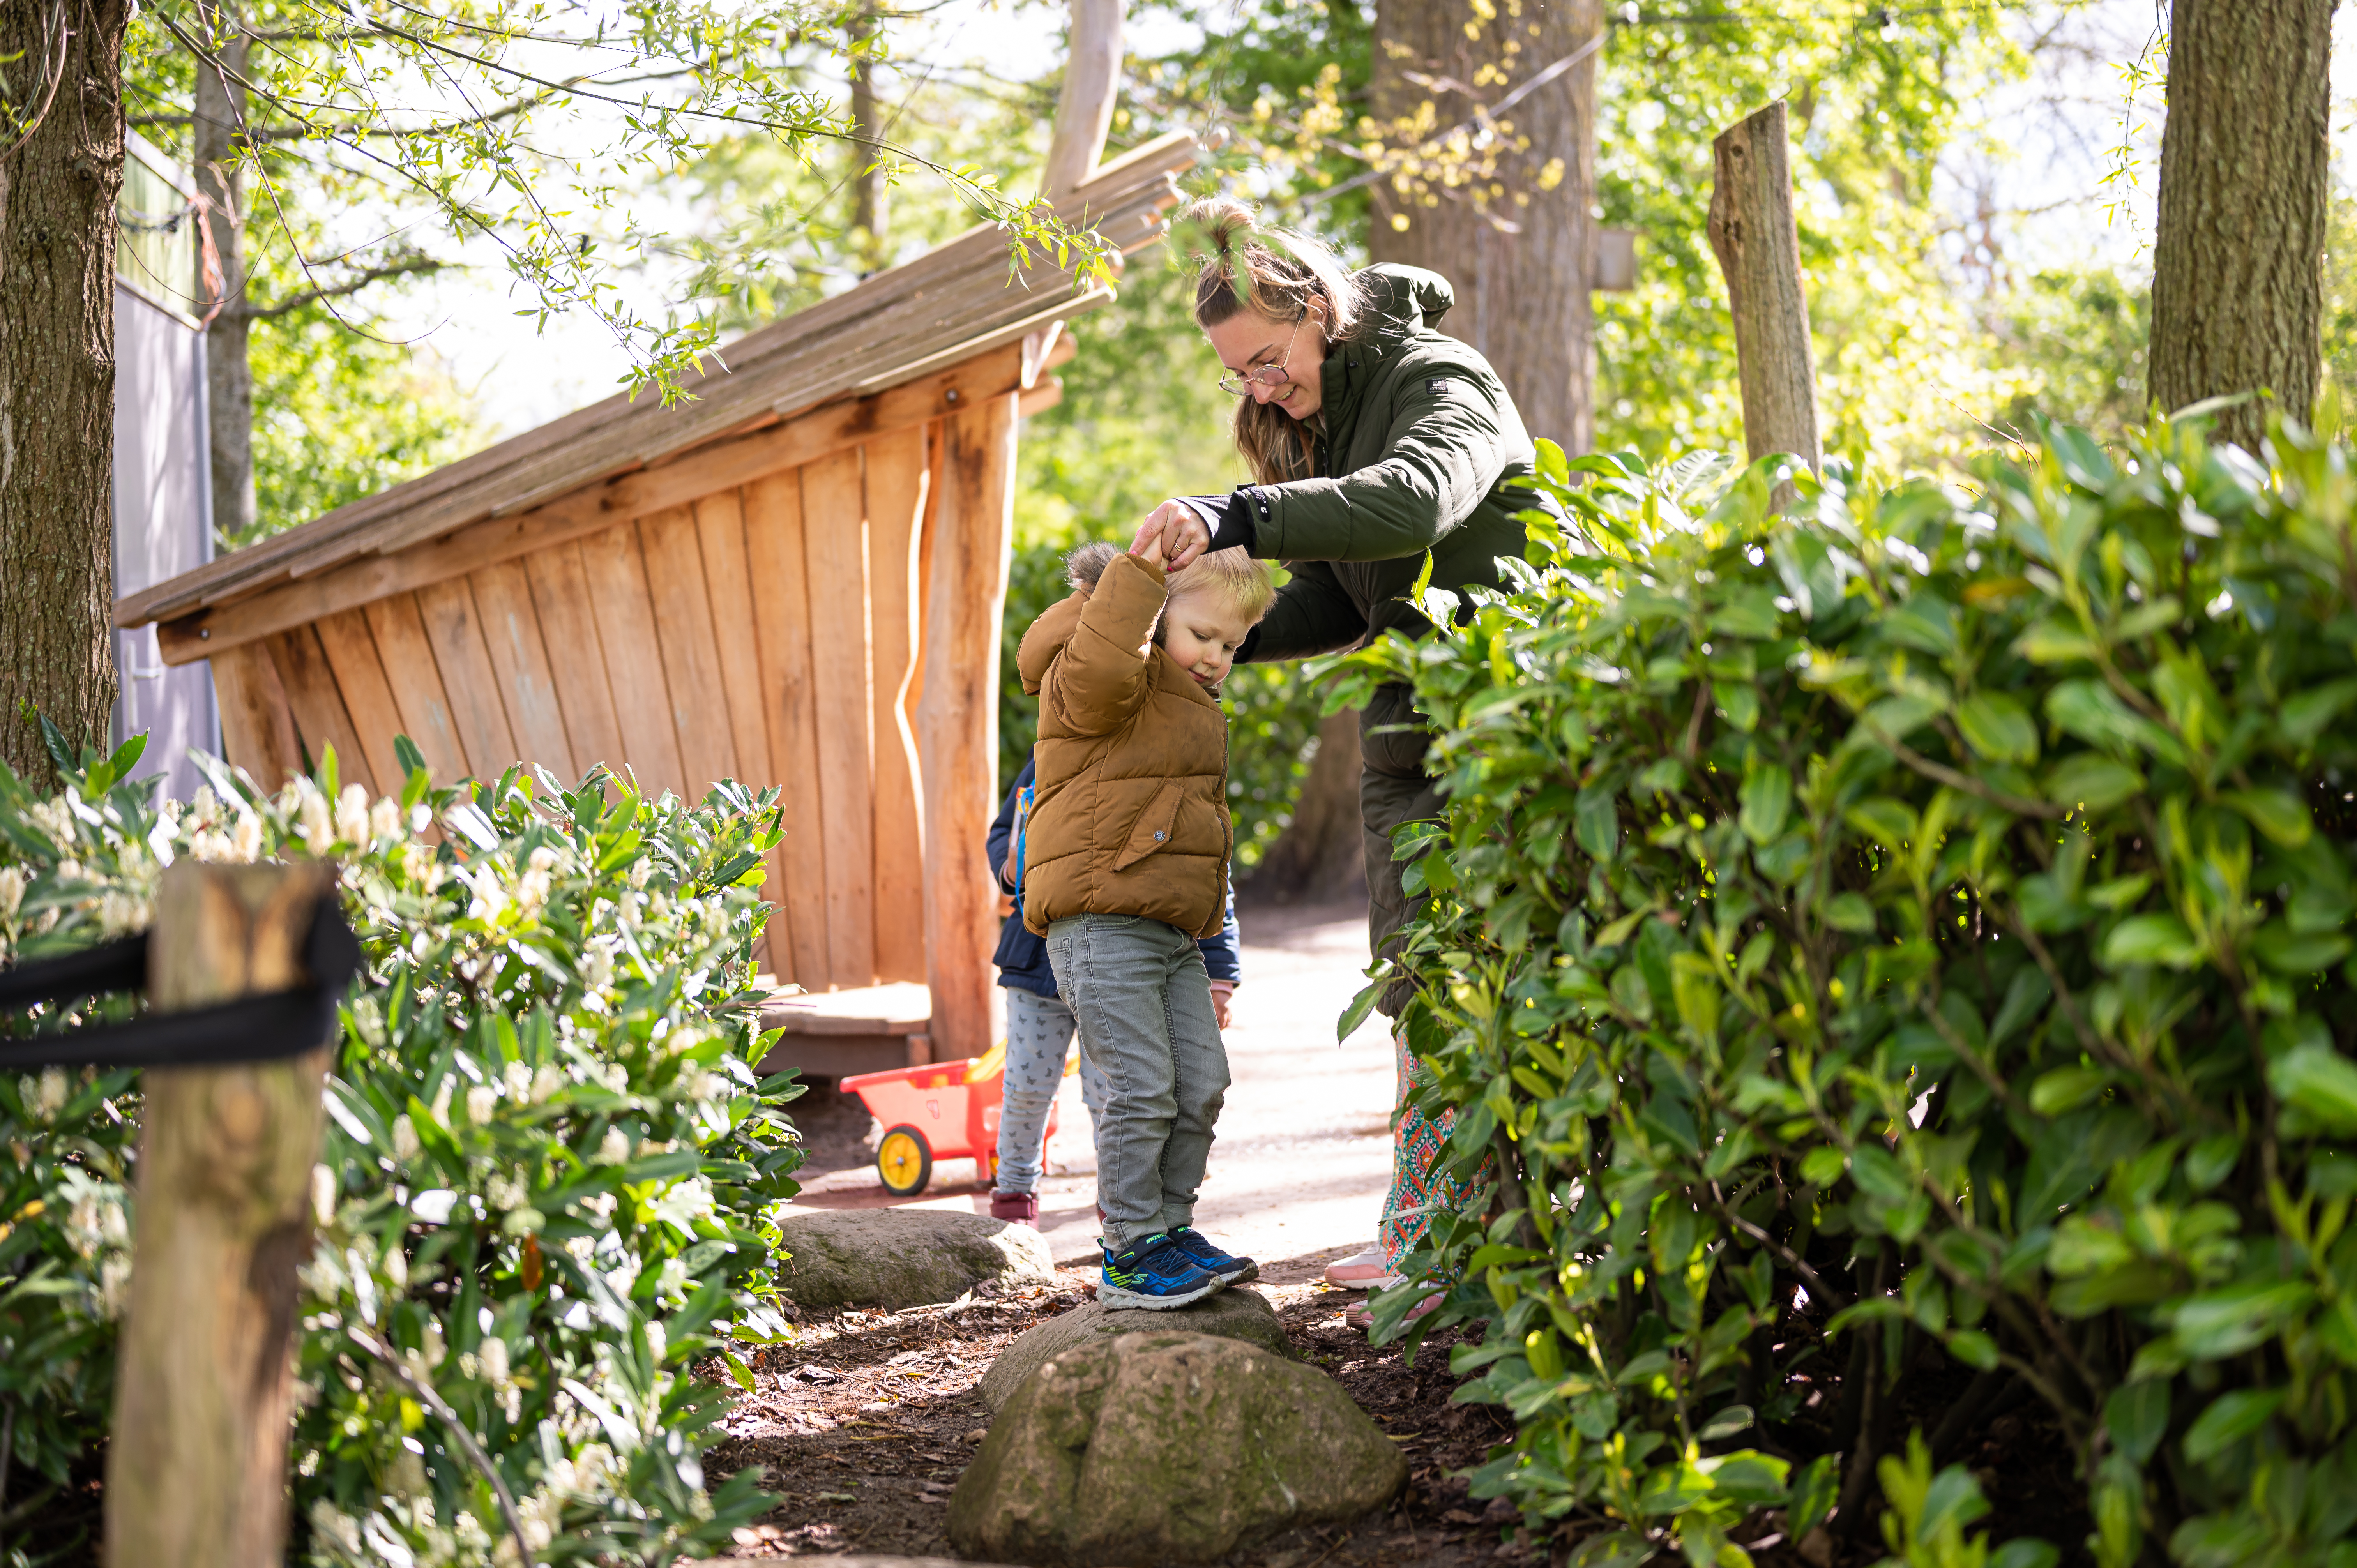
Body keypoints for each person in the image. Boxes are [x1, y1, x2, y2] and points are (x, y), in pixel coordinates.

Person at [1129, 196, 1551, 1323]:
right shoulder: (1319, 416)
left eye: (1270, 360)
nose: (1261, 390)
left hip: (1500, 727)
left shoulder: (1442, 382)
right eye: (1241, 376)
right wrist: (1225, 638)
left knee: (1498, 988)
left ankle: (1498, 1246)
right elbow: (1335, 592)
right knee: (1419, 984)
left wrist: (1239, 515)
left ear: (1323, 313)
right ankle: (1432, 1236)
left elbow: (1413, 504)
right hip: (1405, 729)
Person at [1016, 532, 1273, 1308]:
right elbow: (1099, 672)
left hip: (1167, 927)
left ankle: (1170, 1226)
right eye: (1202, 634)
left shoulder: (1183, 696)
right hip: (1101, 915)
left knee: (1201, 1079)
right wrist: (1133, 581)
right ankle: (1130, 1249)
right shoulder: (1102, 670)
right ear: (1153, 614)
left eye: (1231, 644)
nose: (1216, 656)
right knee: (1140, 1084)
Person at [984, 729, 1246, 1228]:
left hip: (1119, 962)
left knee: (1113, 1088)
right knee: (1026, 1084)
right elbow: (1005, 830)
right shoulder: (1052, 755)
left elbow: (1208, 876)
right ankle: (1015, 1194)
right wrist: (1009, 866)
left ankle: (1121, 1198)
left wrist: (1220, 977)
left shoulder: (1167, 773)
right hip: (1036, 962)